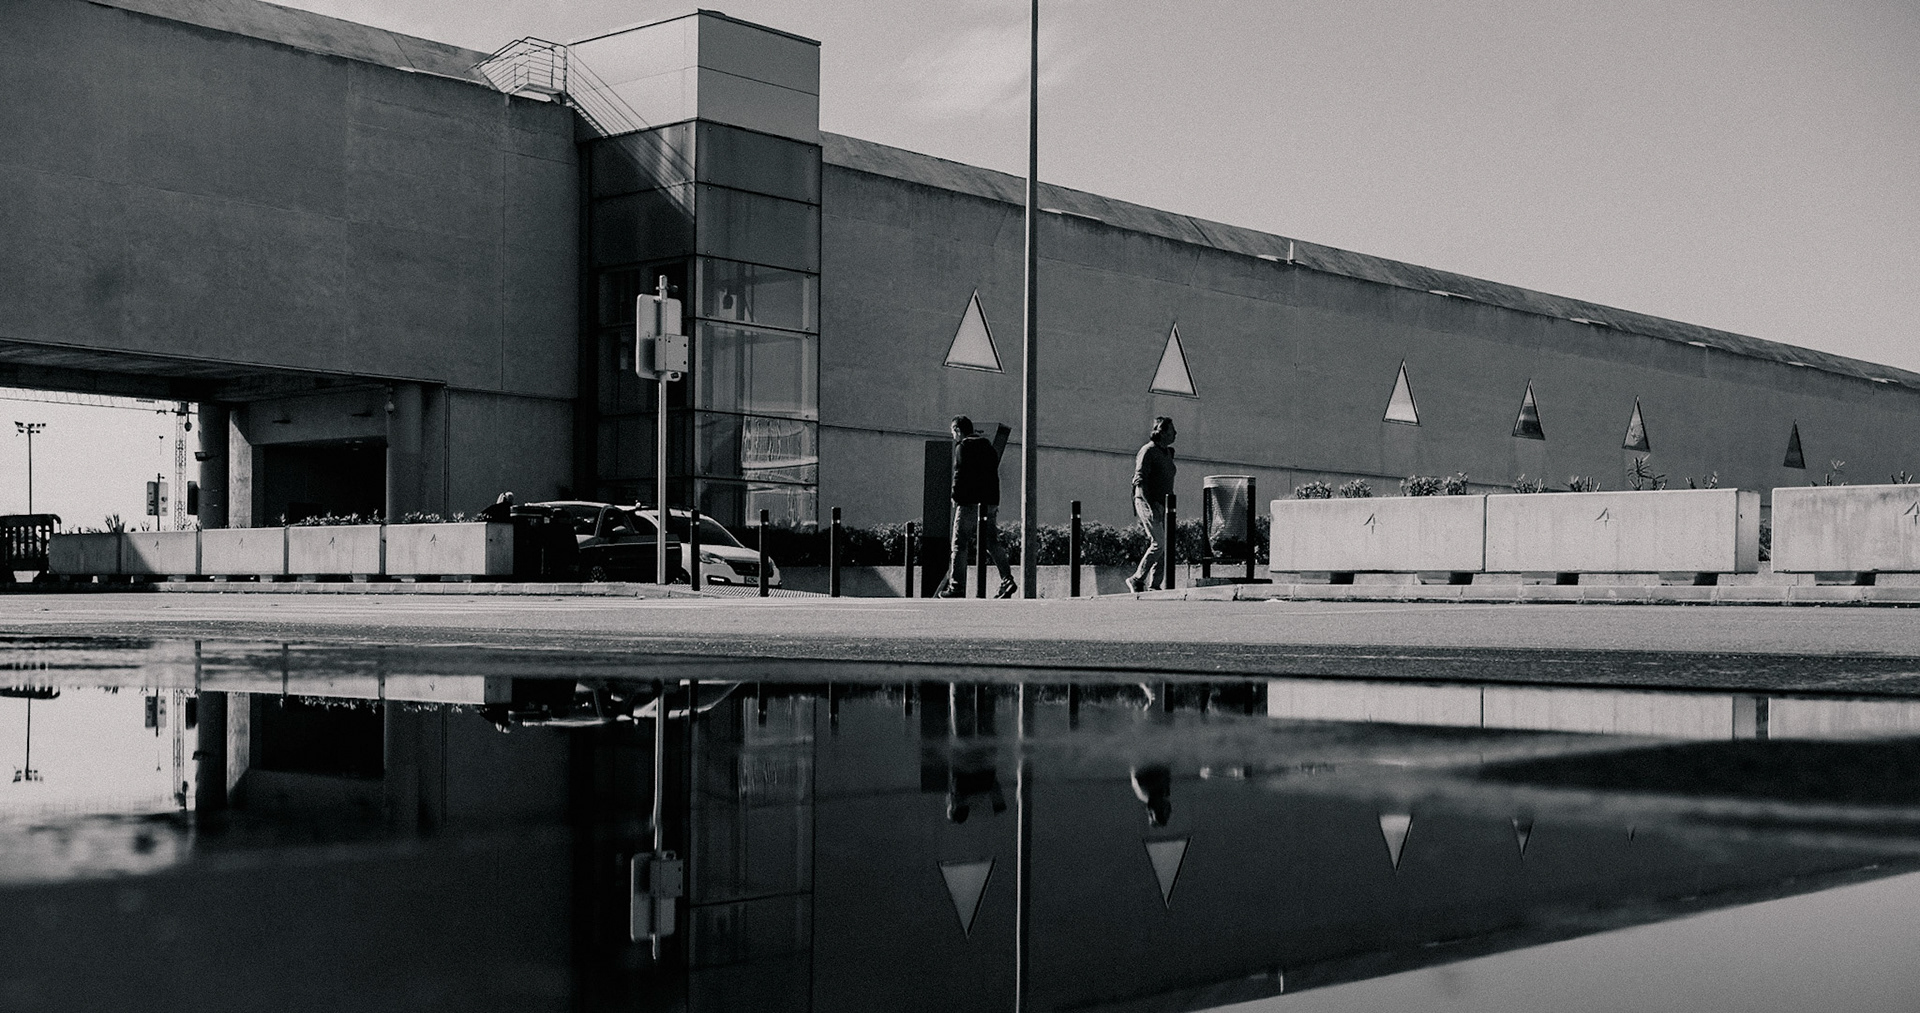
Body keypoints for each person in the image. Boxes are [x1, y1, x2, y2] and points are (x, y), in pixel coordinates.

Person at [941, 416, 1017, 598]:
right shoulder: (988, 447)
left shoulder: (963, 447)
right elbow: (993, 476)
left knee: (959, 544)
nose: (953, 436)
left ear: (958, 430)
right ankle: (1007, 579)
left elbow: (959, 474)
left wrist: (955, 497)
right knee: (991, 542)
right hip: (989, 503)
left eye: (953, 431)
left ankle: (956, 587)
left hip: (968, 503)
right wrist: (994, 502)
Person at [1127, 417, 1177, 592]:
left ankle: (1155, 584)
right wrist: (1150, 506)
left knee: (1163, 545)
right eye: (1171, 430)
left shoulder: (1167, 452)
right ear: (1161, 432)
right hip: (1147, 501)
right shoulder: (1148, 451)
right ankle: (1137, 578)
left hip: (1164, 504)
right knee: (1158, 542)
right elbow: (1139, 480)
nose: (1175, 433)